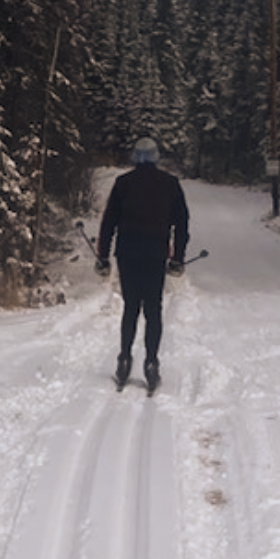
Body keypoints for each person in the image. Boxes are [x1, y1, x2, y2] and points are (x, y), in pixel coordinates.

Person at [95, 135, 190, 390]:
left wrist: (103, 256)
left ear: (135, 157)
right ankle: (151, 363)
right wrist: (178, 257)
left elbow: (108, 223)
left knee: (131, 307)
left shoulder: (123, 183)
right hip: (155, 254)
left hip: (127, 254)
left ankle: (124, 359)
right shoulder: (170, 184)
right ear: (157, 157)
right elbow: (182, 223)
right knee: (153, 309)